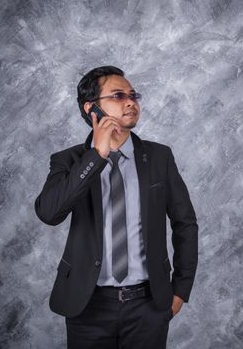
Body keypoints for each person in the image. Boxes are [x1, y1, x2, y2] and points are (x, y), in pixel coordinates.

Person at [34, 65, 198, 348]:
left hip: (148, 305)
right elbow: (49, 213)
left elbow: (185, 224)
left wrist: (180, 291)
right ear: (91, 108)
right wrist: (96, 156)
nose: (131, 102)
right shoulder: (69, 160)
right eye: (118, 95)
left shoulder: (160, 157)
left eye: (133, 95)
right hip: (87, 306)